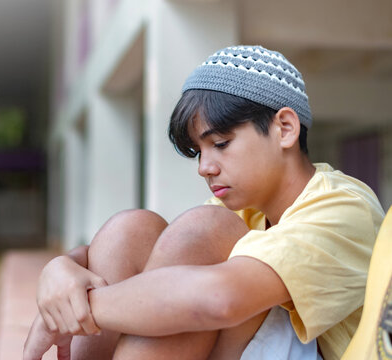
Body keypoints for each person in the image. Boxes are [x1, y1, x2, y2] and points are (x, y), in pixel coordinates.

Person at [23, 45, 385, 360]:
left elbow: (221, 298)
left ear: (285, 128)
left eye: (221, 144)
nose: (204, 168)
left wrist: (77, 309)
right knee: (130, 230)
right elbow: (113, 258)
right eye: (199, 151)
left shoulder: (343, 205)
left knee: (205, 230)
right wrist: (60, 270)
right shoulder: (248, 209)